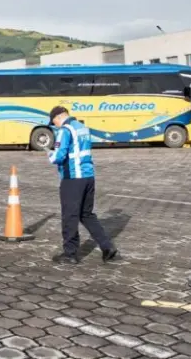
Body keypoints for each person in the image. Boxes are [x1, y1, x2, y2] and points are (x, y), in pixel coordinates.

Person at [46, 106, 118, 264]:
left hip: (72, 178)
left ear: (58, 118)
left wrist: (50, 155)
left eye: (54, 123)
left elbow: (59, 156)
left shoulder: (65, 130)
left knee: (69, 216)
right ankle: (107, 246)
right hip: (88, 176)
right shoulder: (83, 128)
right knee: (87, 214)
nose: (55, 126)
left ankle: (70, 254)